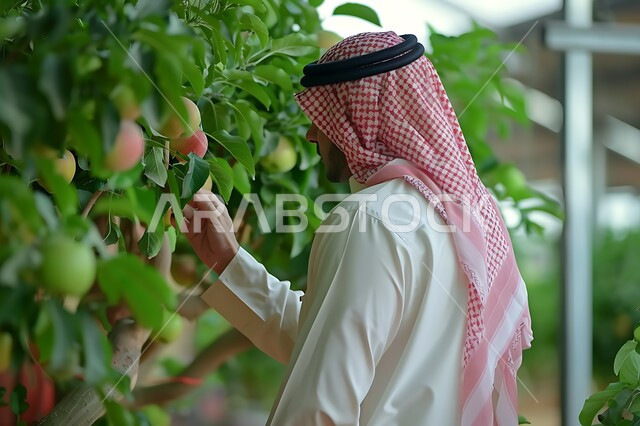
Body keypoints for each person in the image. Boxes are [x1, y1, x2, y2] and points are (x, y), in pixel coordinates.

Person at [179, 31, 532, 425]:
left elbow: (319, 409)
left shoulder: (368, 219)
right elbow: (338, 343)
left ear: (359, 120)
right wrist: (229, 262)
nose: (312, 133)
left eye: (325, 115)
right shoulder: (471, 214)